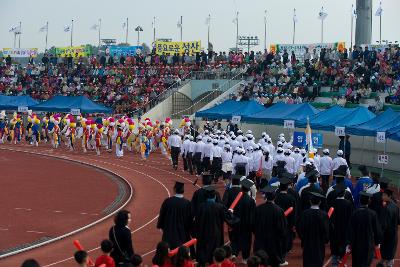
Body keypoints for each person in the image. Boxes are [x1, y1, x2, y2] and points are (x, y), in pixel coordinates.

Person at [253, 186, 287, 267]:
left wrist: (257, 233)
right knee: (274, 261)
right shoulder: (279, 210)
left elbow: (253, 224)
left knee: (260, 261)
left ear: (266, 197)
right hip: (274, 241)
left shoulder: (258, 209)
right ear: (275, 197)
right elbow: (282, 228)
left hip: (261, 239)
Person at [346, 191, 382, 267]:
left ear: (360, 201)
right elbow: (377, 231)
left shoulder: (355, 213)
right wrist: (377, 242)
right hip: (368, 244)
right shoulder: (373, 214)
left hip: (356, 244)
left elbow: (350, 230)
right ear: (369, 201)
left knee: (356, 263)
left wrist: (349, 243)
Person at [193, 186, 225, 267]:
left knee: (202, 251)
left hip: (203, 233)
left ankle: (202, 263)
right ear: (215, 196)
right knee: (215, 252)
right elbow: (227, 218)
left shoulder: (200, 207)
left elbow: (197, 221)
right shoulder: (220, 207)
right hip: (216, 233)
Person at [297, 192, 329, 267]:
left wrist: (303, 238)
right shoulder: (324, 215)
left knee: (308, 261)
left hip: (307, 242)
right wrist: (325, 240)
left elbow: (300, 228)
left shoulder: (305, 214)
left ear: (310, 201)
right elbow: (326, 230)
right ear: (320, 202)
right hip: (319, 243)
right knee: (318, 261)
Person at [157, 181, 192, 249]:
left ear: (174, 189)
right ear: (183, 190)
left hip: (169, 233)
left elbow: (162, 215)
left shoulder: (168, 201)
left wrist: (160, 226)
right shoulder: (187, 203)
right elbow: (189, 220)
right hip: (182, 234)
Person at [230, 179, 256, 263]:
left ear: (241, 187)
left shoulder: (236, 199)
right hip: (246, 224)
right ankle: (245, 258)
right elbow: (252, 215)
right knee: (246, 241)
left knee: (235, 238)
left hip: (236, 222)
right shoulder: (251, 201)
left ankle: (234, 253)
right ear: (249, 189)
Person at [328, 184, 354, 267]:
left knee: (334, 243)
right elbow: (351, 218)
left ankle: (334, 262)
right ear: (344, 194)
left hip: (334, 227)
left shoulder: (332, 203)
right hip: (344, 228)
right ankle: (341, 259)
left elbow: (329, 215)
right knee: (343, 243)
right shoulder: (348, 204)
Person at [274, 175, 297, 259]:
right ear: (287, 188)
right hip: (288, 221)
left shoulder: (276, 197)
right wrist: (293, 224)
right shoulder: (291, 198)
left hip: (277, 220)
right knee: (287, 236)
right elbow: (294, 212)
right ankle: (285, 252)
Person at [379, 188, 400, 267]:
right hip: (394, 235)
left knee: (387, 255)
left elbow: (384, 225)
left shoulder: (387, 208)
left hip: (387, 235)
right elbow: (398, 221)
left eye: (384, 195)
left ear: (389, 196)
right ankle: (382, 263)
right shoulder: (396, 207)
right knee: (389, 254)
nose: (382, 196)